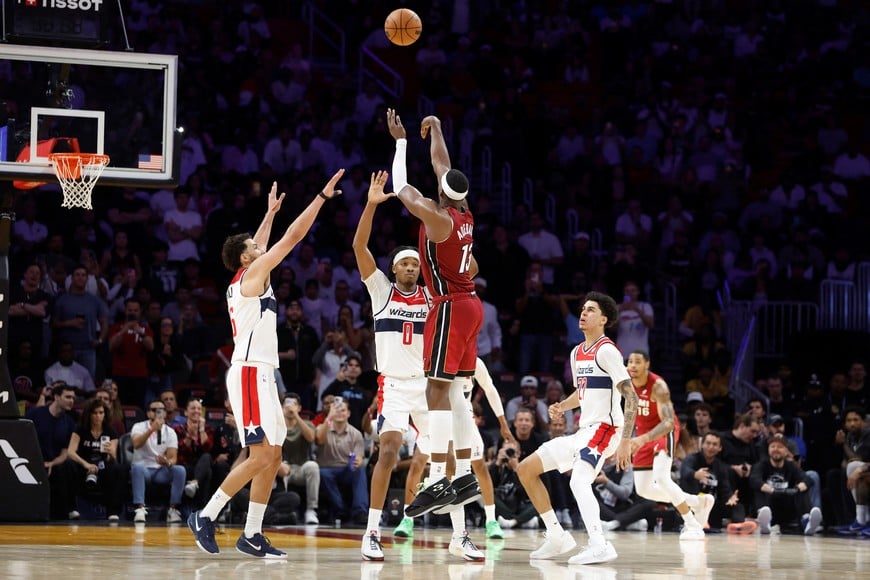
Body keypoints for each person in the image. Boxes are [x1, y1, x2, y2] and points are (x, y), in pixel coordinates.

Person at [188, 171, 344, 558]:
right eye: (256, 247)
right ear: (246, 258)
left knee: (272, 456)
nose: (263, 247)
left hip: (262, 373)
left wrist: (270, 212)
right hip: (249, 372)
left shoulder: (251, 271)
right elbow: (292, 238)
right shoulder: (253, 274)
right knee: (260, 455)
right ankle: (205, 516)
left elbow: (261, 241)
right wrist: (321, 197)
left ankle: (252, 534)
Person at [386, 109, 483, 518]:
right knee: (457, 392)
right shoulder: (463, 212)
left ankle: (439, 479)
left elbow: (401, 186)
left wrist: (401, 142)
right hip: (472, 305)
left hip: (448, 308)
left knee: (435, 392)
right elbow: (442, 164)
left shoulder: (438, 217)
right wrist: (439, 128)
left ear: (441, 193)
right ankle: (464, 475)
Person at [516, 291, 638, 565]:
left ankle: (599, 544)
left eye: (591, 310)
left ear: (604, 319)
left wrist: (627, 440)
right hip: (584, 430)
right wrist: (562, 405)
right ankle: (557, 535)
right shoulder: (576, 352)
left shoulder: (606, 350)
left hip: (607, 427)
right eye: (583, 308)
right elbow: (581, 393)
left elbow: (631, 396)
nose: (583, 313)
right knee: (526, 469)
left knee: (578, 480)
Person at [353, 171, 432, 560]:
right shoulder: (381, 291)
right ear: (394, 269)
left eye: (415, 265)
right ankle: (372, 531)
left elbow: (471, 272)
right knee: (388, 452)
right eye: (404, 264)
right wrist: (370, 203)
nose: (410, 269)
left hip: (429, 384)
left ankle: (459, 531)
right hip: (396, 386)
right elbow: (358, 245)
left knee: (454, 455)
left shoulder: (432, 298)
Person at [626, 350, 714, 538]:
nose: (632, 365)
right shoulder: (626, 384)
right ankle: (699, 502)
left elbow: (666, 423)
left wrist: (642, 439)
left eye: (637, 362)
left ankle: (691, 524)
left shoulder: (658, 386)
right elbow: (629, 411)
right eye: (630, 362)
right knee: (644, 489)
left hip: (664, 430)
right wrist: (625, 439)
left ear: (647, 364)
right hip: (643, 434)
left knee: (662, 478)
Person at [751, 434, 822, 535]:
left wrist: (797, 489)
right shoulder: (761, 465)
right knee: (759, 490)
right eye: (773, 446)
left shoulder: (791, 466)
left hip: (787, 506)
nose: (776, 449)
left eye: (780, 447)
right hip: (769, 505)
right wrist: (770, 489)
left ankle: (807, 521)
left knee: (802, 489)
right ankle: (764, 522)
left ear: (786, 451)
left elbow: (807, 479)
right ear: (768, 449)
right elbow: (754, 480)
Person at [66, 398, 124, 521]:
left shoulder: (110, 431)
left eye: (101, 412)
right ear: (89, 414)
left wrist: (112, 453)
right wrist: (86, 464)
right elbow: (70, 452)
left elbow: (112, 458)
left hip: (102, 466)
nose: (98, 416)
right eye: (95, 413)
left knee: (117, 469)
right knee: (67, 466)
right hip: (83, 465)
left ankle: (112, 512)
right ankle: (72, 509)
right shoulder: (80, 429)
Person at [129, 398, 186, 523]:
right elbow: (136, 444)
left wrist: (167, 462)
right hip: (143, 469)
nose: (158, 413)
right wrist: (151, 430)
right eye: (155, 410)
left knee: (179, 470)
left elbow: (173, 458)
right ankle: (140, 509)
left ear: (165, 413)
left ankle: (173, 509)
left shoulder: (170, 432)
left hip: (160, 470)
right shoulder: (138, 426)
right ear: (149, 413)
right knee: (137, 468)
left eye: (162, 410)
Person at [679, 432, 742, 533]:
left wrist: (730, 498)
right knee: (690, 481)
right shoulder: (692, 459)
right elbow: (684, 471)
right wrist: (695, 474)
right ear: (702, 445)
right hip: (692, 504)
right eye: (708, 443)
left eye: (714, 444)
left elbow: (724, 489)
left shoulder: (720, 467)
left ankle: (737, 526)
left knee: (737, 506)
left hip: (711, 506)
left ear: (720, 448)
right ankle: (701, 521)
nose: (711, 447)